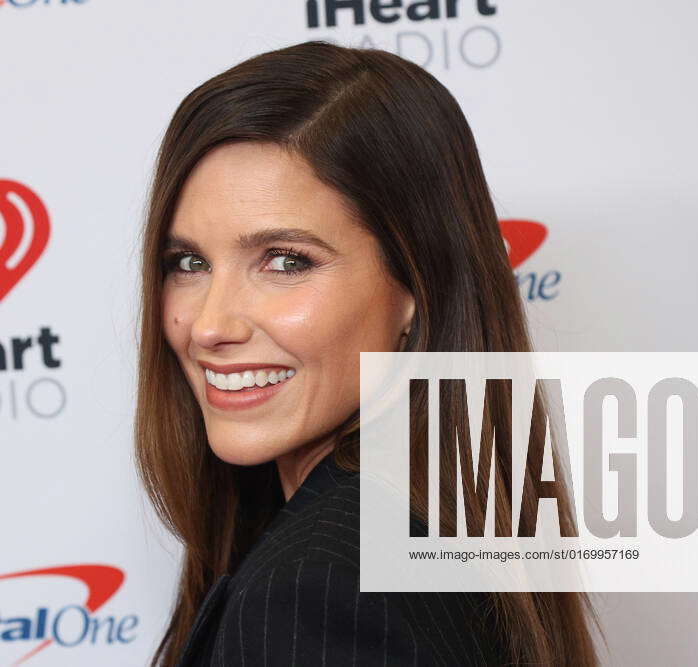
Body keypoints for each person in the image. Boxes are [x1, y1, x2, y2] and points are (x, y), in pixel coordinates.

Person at [134, 40, 601, 666]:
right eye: (188, 262)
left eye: (285, 261)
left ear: (414, 285)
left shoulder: (316, 590)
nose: (209, 325)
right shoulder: (424, 530)